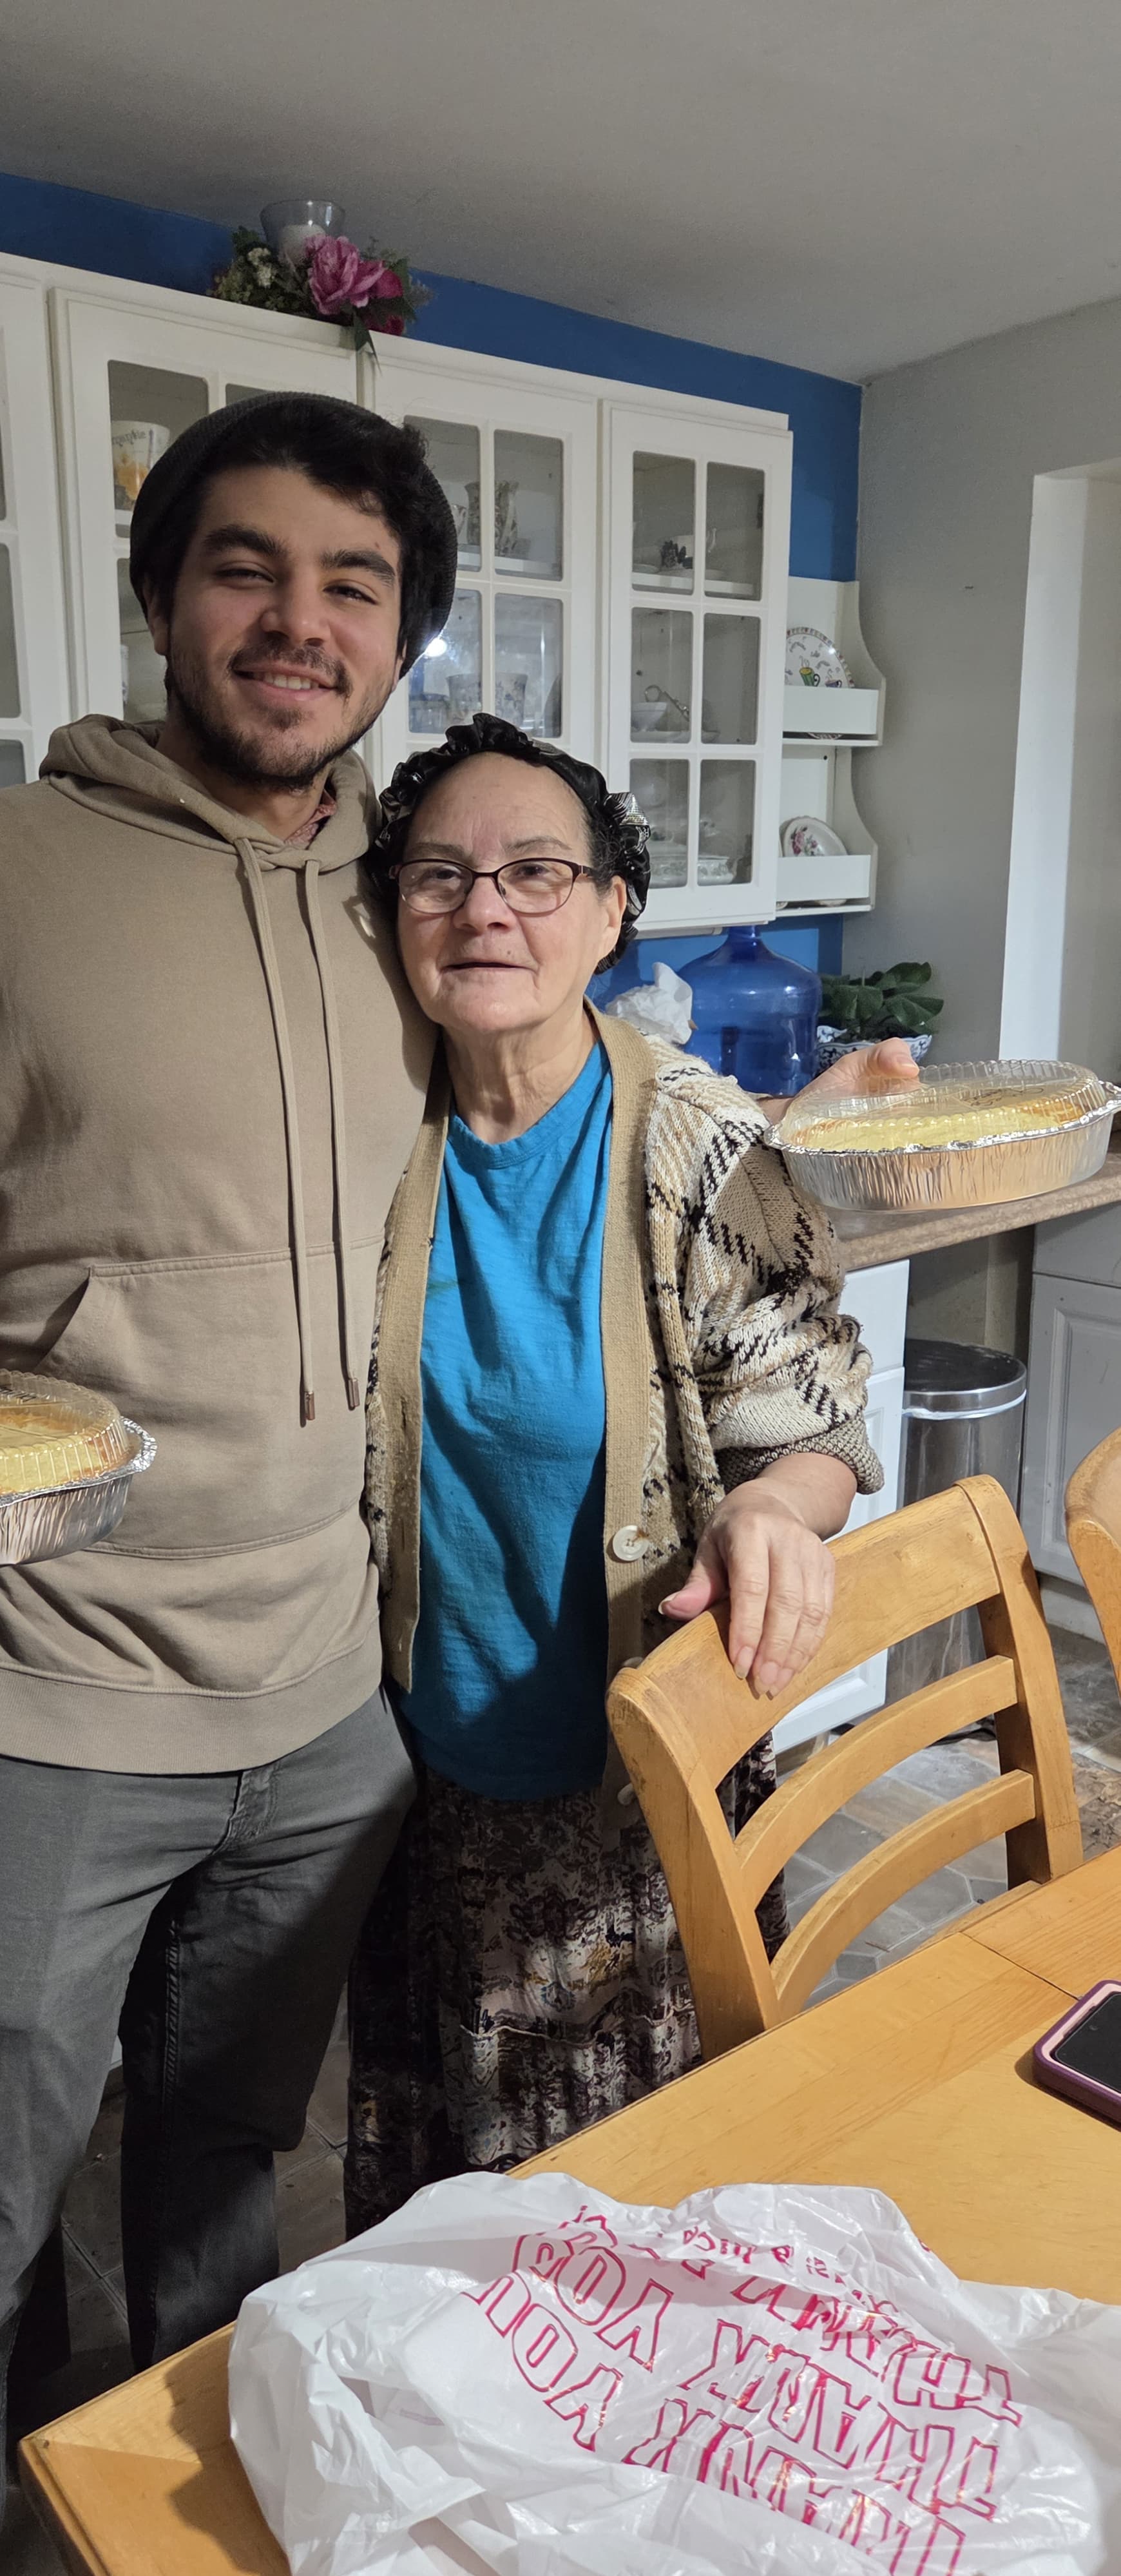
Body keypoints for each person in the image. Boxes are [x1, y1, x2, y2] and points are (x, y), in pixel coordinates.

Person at [0, 391, 911, 2576]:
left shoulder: (405, 898)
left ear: (400, 640)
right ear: (164, 593)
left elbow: (624, 1130)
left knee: (220, 2185)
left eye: (354, 586)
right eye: (247, 568)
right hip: (40, 1681)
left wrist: (793, 1407)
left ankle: (214, 2528)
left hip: (325, 1710)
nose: (298, 622)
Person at [344, 714, 883, 2230]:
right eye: (438, 874)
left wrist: (777, 1511)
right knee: (444, 2185)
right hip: (415, 1763)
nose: (485, 906)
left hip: (631, 1779)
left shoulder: (700, 1144)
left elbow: (809, 1420)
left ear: (608, 908)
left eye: (534, 869)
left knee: (636, 2208)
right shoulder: (364, 1136)